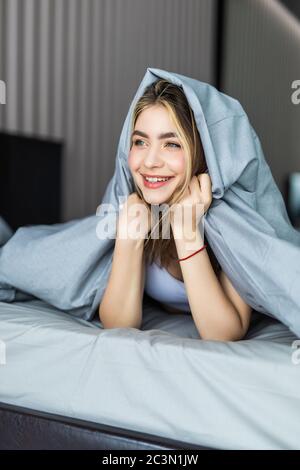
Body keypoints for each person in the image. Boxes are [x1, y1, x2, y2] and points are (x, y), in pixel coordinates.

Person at [99, 79, 252, 341]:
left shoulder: (234, 218)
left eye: (172, 144)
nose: (149, 161)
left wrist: (186, 230)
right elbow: (118, 325)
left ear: (204, 153)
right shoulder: (133, 207)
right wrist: (127, 238)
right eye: (140, 142)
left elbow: (224, 333)